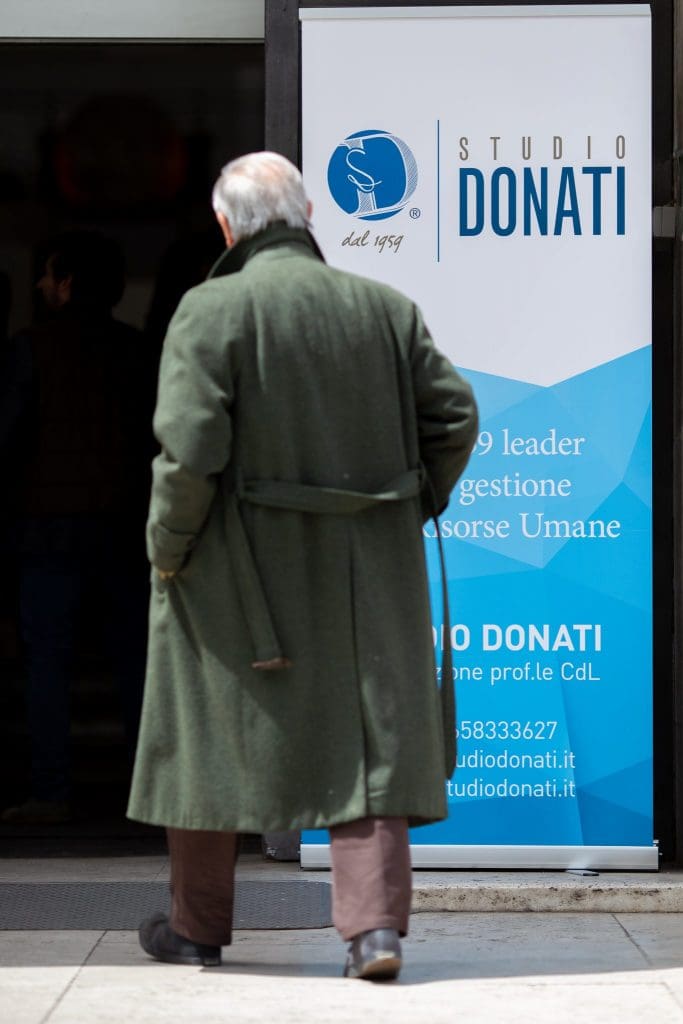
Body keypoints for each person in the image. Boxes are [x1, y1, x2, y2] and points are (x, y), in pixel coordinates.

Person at [128, 152, 478, 979]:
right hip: (367, 566)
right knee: (368, 735)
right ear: (308, 214)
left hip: (236, 569)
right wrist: (406, 504)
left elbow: (189, 451)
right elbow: (454, 415)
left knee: (206, 735)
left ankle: (196, 926)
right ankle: (374, 932)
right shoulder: (383, 307)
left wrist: (167, 547)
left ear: (226, 227)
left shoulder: (210, 308)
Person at [0, 232, 154, 824]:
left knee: (48, 664)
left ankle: (51, 793)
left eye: (47, 274)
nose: (41, 284)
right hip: (126, 529)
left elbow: (8, 438)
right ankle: (149, 796)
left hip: (47, 532)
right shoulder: (137, 351)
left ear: (65, 284)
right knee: (137, 666)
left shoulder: (29, 348)